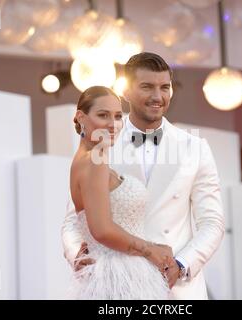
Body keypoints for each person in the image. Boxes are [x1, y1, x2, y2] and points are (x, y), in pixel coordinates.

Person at [62, 52, 225, 299]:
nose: (157, 97)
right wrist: (77, 254)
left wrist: (180, 266)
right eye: (147, 87)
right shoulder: (103, 141)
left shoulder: (195, 148)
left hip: (177, 289)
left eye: (165, 87)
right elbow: (75, 218)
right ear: (126, 91)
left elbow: (212, 223)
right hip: (117, 286)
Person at [67, 85, 172, 299]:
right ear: (81, 117)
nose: (113, 124)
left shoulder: (86, 160)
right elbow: (102, 230)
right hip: (120, 277)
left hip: (115, 274)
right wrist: (151, 251)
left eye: (117, 116)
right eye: (103, 115)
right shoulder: (95, 159)